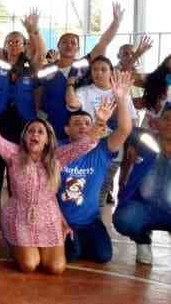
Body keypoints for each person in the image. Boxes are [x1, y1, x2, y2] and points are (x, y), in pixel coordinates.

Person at [0, 84, 96, 274]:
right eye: (31, 131)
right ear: (24, 137)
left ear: (47, 140)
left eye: (40, 132)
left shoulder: (57, 157)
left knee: (56, 268)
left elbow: (84, 145)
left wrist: (100, 121)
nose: (35, 134)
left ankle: (37, 247)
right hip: (19, 214)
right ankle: (15, 241)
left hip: (48, 216)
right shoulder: (14, 154)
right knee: (29, 264)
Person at [59, 70, 134, 264]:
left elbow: (124, 130)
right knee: (71, 255)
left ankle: (81, 241)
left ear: (96, 128)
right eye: (76, 123)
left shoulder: (102, 149)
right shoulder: (58, 149)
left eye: (87, 123)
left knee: (103, 256)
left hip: (90, 221)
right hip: (60, 220)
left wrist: (122, 99)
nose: (83, 126)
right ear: (66, 129)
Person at [38, 3, 123, 139]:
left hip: (78, 124)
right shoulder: (47, 69)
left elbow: (103, 42)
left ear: (78, 48)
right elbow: (39, 92)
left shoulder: (83, 65)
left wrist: (116, 23)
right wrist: (40, 116)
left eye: (73, 42)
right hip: (52, 121)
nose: (69, 44)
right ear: (58, 46)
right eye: (65, 42)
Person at [0, 12, 43, 211]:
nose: (13, 45)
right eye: (10, 42)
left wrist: (32, 30)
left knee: (18, 162)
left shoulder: (30, 65)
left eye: (17, 42)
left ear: (24, 44)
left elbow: (40, 52)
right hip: (0, 118)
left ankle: (15, 200)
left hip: (23, 121)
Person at [67, 56, 138, 204]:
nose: (98, 73)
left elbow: (131, 121)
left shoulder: (121, 92)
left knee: (105, 183)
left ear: (111, 72)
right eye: (95, 69)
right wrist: (71, 83)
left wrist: (132, 143)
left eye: (103, 69)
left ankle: (99, 210)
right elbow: (72, 103)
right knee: (88, 186)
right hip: (89, 146)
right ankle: (89, 212)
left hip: (113, 144)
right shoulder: (84, 91)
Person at [113, 105, 171, 265]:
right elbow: (126, 128)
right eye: (166, 119)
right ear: (156, 122)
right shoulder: (145, 140)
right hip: (143, 207)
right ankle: (143, 240)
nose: (170, 123)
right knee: (124, 219)